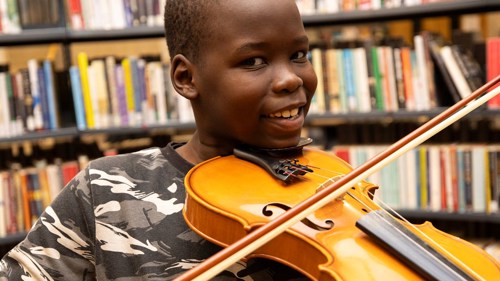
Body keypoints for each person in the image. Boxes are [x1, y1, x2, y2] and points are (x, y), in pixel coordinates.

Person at [0, 0, 317, 279]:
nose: (291, 78)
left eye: (299, 54)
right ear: (186, 78)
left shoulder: (325, 187)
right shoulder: (104, 189)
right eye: (253, 61)